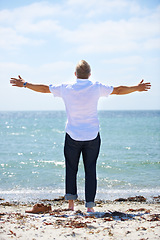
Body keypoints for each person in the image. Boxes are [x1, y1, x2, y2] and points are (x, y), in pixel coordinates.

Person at [10, 60, 151, 212]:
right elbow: (118, 90)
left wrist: (25, 84)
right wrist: (137, 88)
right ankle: (89, 207)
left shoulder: (66, 88)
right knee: (91, 170)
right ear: (90, 74)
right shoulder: (96, 87)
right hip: (92, 136)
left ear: (75, 74)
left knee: (71, 169)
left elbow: (44, 89)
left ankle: (71, 205)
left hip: (72, 135)